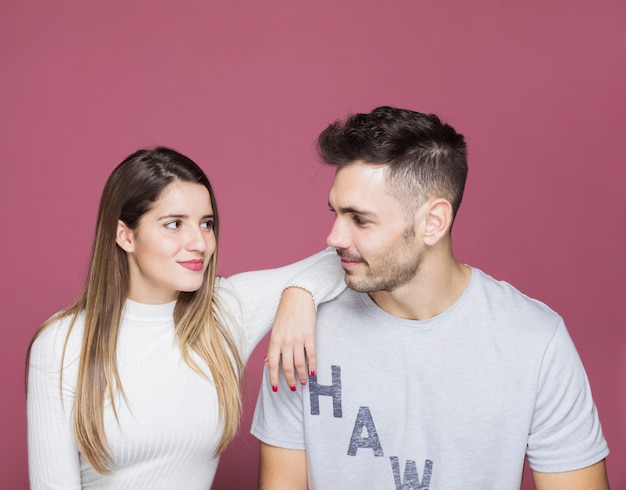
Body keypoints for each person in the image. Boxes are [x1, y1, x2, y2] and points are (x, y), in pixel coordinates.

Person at [252, 106, 610, 489]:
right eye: (335, 213)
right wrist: (298, 288)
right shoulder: (301, 335)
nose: (334, 238)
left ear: (433, 222)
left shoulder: (534, 341)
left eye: (359, 219)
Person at [26, 147, 345, 489]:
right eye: (174, 224)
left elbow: (352, 252)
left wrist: (299, 293)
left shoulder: (226, 312)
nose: (199, 243)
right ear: (125, 235)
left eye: (206, 224)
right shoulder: (62, 342)